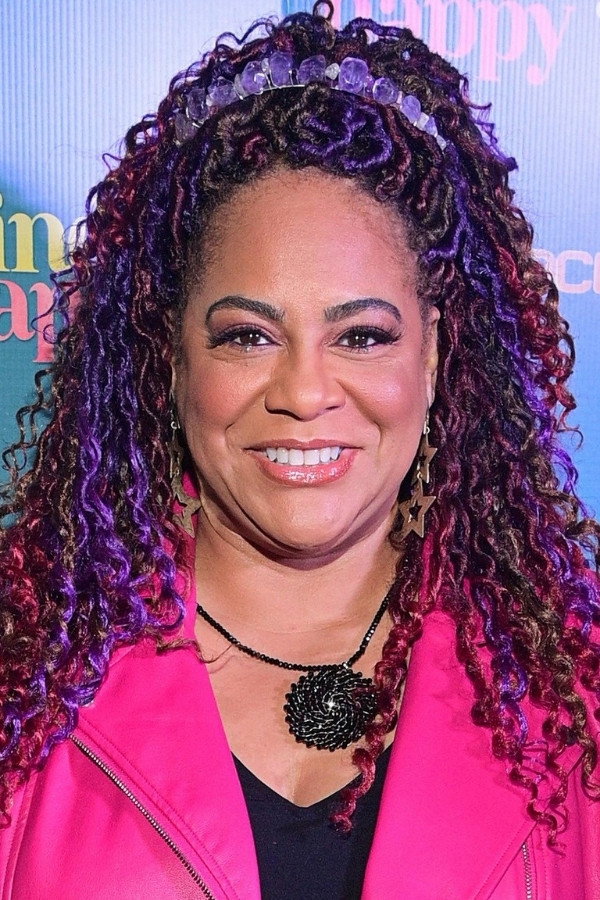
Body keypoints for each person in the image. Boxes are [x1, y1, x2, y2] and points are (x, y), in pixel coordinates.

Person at [1, 2, 599, 896]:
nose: (305, 392)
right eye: (248, 336)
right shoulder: (24, 672)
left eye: (361, 336)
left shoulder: (573, 695)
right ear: (171, 357)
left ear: (433, 355)